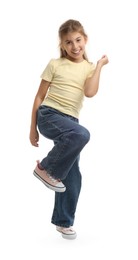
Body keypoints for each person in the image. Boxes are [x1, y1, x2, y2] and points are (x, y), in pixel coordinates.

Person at [29, 19, 109, 240]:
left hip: (69, 124)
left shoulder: (89, 68)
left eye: (78, 40)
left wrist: (100, 65)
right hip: (49, 115)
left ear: (85, 39)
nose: (74, 46)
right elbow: (39, 96)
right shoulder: (55, 64)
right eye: (68, 42)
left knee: (73, 176)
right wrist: (32, 128)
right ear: (62, 45)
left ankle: (63, 221)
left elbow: (90, 93)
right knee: (83, 134)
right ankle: (45, 168)